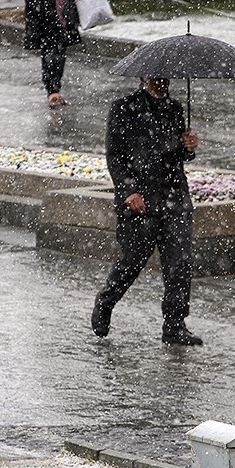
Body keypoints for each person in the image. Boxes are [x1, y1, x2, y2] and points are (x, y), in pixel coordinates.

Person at [92, 77, 203, 346]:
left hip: (174, 197)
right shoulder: (123, 108)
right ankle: (106, 301)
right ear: (143, 78)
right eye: (156, 76)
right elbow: (115, 156)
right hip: (140, 200)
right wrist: (129, 190)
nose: (162, 81)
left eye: (165, 76)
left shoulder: (175, 108)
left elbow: (178, 155)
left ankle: (175, 324)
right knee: (131, 262)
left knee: (180, 264)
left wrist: (188, 146)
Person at [23, 0, 81, 109]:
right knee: (51, 53)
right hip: (48, 16)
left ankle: (54, 89)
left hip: (58, 14)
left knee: (58, 53)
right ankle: (52, 91)